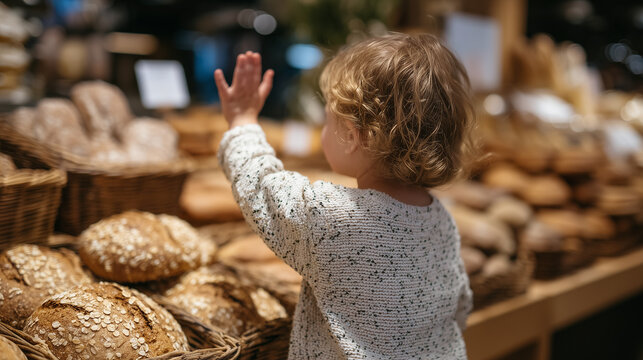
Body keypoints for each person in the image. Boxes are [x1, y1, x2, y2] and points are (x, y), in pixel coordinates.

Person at [214, 33, 475, 359]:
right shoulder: (441, 220)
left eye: (326, 120)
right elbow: (459, 305)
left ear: (352, 136)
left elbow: (261, 187)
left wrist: (242, 122)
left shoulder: (334, 217)